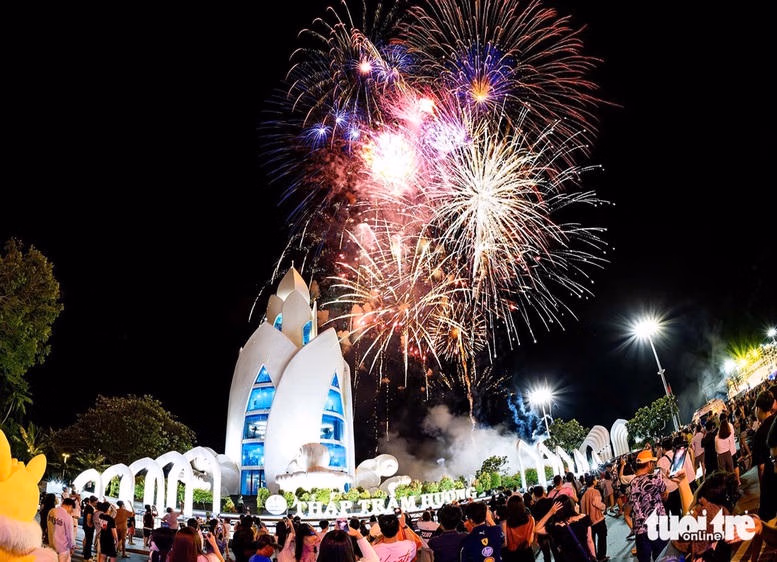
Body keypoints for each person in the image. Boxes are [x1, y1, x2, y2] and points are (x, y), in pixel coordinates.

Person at [628, 450, 668, 562]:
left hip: (641, 530)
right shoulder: (655, 479)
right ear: (649, 464)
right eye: (652, 463)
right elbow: (665, 496)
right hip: (658, 526)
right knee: (662, 557)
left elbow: (630, 507)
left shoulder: (631, 484)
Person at [752, 390, 777, 521]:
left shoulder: (759, 435)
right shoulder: (776, 421)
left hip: (770, 479)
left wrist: (763, 491)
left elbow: (761, 468)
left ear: (759, 409)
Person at [579, 474, 607, 562]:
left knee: (592, 540)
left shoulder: (583, 494)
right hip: (598, 519)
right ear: (593, 481)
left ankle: (594, 557)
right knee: (602, 538)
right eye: (595, 479)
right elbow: (597, 503)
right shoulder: (595, 491)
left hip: (588, 521)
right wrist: (604, 506)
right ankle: (601, 556)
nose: (596, 481)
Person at [500, 495, 534, 562]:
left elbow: (504, 544)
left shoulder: (505, 523)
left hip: (512, 555)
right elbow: (531, 538)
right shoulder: (530, 519)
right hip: (527, 553)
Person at [530, 486, 555, 562]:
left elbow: (537, 522)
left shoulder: (535, 507)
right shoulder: (551, 501)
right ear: (543, 492)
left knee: (546, 554)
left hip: (542, 532)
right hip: (553, 529)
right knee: (556, 551)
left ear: (534, 494)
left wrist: (536, 537)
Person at [48, 497, 76, 562]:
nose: (72, 511)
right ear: (70, 506)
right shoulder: (68, 517)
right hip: (63, 548)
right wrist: (72, 546)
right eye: (72, 508)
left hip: (51, 545)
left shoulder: (51, 511)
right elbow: (70, 535)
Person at [715, 413, 737, 479]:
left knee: (724, 473)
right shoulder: (730, 427)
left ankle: (729, 483)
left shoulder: (718, 434)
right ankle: (737, 481)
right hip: (729, 452)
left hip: (721, 454)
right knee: (732, 469)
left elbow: (716, 448)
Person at [83, 496, 98, 562]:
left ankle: (87, 555)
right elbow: (89, 517)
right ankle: (87, 557)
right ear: (93, 502)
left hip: (86, 526)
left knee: (88, 541)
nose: (96, 504)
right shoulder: (90, 507)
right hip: (88, 527)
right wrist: (89, 524)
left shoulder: (88, 507)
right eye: (96, 502)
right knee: (89, 542)